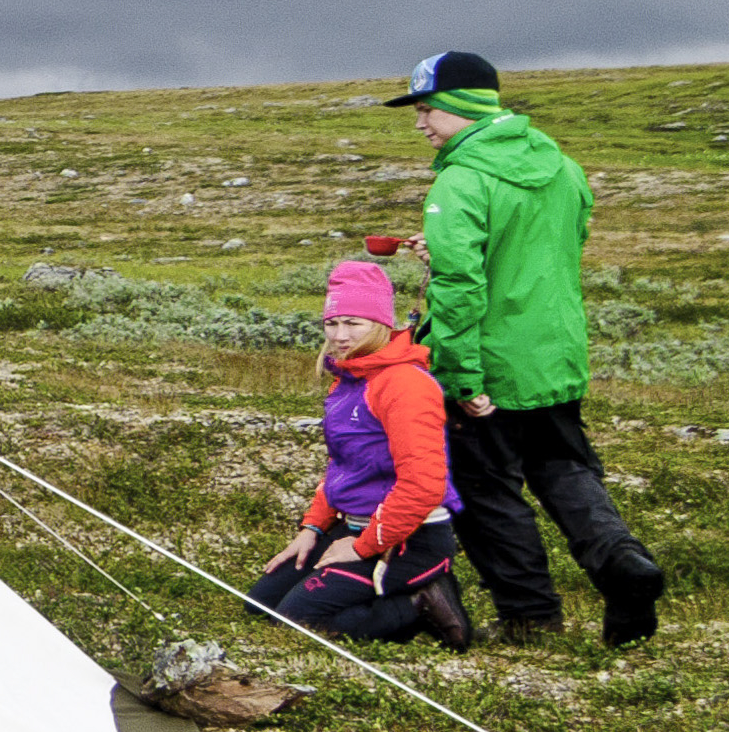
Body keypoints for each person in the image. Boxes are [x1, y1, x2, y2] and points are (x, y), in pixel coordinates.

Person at [393, 49, 666, 646]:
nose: (420, 124)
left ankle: (529, 616)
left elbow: (462, 288)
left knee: (487, 492)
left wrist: (462, 380)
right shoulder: (564, 167)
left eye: (427, 109)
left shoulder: (461, 180)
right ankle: (620, 562)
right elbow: (560, 246)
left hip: (491, 363)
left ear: (460, 106)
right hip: (555, 358)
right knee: (564, 468)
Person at [244, 259, 476, 654]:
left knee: (297, 622)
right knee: (259, 606)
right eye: (332, 323)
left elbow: (423, 486)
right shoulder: (350, 379)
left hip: (409, 537)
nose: (339, 335)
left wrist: (361, 547)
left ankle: (420, 601)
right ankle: (379, 587)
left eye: (354, 323)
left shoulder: (404, 385)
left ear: (382, 324)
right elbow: (343, 465)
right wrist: (312, 530)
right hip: (355, 523)